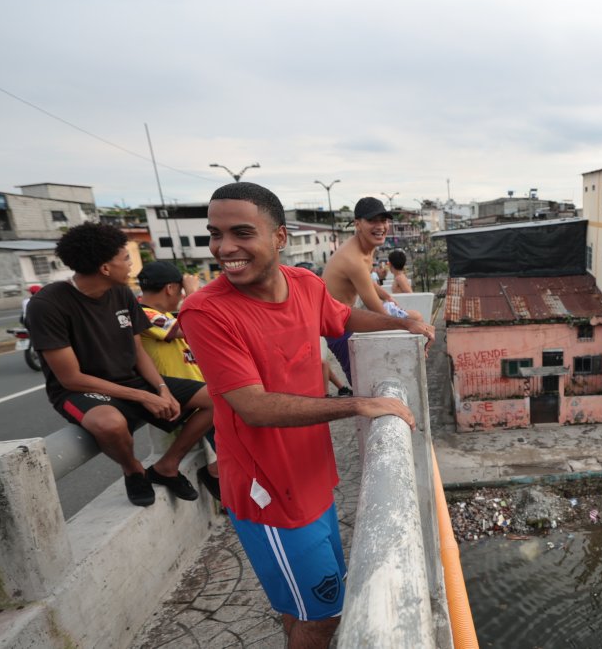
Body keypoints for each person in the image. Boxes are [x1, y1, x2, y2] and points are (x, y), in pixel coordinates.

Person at [178, 182, 435, 648]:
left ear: (279, 238)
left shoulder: (304, 284)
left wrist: (404, 322)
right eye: (215, 234)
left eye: (241, 233)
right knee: (325, 615)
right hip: (270, 495)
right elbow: (252, 407)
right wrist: (357, 403)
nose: (225, 248)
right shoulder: (206, 311)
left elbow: (343, 318)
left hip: (312, 479)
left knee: (303, 607)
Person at [26, 222, 214, 507]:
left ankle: (167, 466)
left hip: (130, 380)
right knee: (111, 425)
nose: (130, 266)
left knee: (217, 399)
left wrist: (161, 389)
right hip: (82, 390)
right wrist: (144, 396)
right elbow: (71, 378)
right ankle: (133, 469)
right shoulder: (48, 305)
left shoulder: (121, 293)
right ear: (105, 268)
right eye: (125, 258)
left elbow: (136, 348)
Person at [137, 261, 221, 500]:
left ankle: (224, 486)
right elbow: (197, 326)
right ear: (171, 289)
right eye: (182, 290)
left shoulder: (164, 315)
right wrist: (195, 293)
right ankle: (213, 479)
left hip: (200, 396)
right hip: (187, 399)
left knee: (244, 449)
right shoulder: (145, 314)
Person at [322, 196, 423, 380]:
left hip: (347, 316)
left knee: (414, 318)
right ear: (357, 224)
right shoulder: (353, 259)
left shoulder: (367, 246)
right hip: (338, 327)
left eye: (383, 220)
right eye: (372, 221)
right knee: (364, 380)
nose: (380, 226)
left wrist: (387, 296)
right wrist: (411, 327)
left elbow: (367, 280)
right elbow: (378, 313)